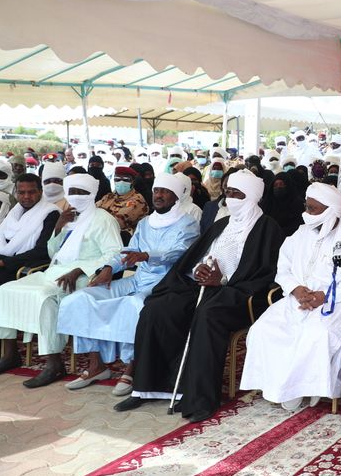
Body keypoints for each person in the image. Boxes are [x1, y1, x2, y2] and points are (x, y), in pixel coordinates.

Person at [114, 170, 284, 422]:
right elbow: (196, 257)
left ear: (252, 196)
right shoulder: (222, 224)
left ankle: (198, 396)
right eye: (228, 193)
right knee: (157, 308)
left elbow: (264, 273)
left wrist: (222, 281)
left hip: (237, 294)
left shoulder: (267, 227)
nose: (231, 198)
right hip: (202, 286)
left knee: (207, 313)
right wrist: (199, 270)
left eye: (238, 194)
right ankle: (147, 387)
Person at [57, 174, 200, 395]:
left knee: (134, 305)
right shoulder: (145, 223)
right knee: (83, 298)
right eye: (156, 190)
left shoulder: (188, 223)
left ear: (176, 196)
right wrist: (107, 269)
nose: (158, 195)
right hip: (138, 279)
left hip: (166, 284)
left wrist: (146, 255)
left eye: (164, 191)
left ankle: (132, 369)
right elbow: (126, 253)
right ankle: (97, 366)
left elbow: (180, 253)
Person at [240, 182, 341, 411]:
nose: (307, 213)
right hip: (298, 298)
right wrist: (296, 289)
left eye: (313, 209)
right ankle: (277, 386)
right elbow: (283, 268)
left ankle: (307, 388)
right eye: (307, 207)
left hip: (338, 301)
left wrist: (326, 295)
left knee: (317, 333)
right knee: (264, 329)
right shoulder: (299, 234)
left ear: (332, 210)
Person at [0, 174, 122, 387]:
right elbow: (53, 252)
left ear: (92, 194)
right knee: (6, 290)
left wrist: (79, 270)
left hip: (84, 276)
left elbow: (115, 253)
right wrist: (58, 227)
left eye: (81, 192)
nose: (76, 197)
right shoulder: (69, 217)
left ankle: (54, 363)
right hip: (54, 271)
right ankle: (10, 354)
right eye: (72, 192)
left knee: (46, 299)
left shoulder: (103, 219)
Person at [0, 174, 59, 289]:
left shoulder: (51, 213)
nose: (26, 196)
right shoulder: (15, 212)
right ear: (16, 193)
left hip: (23, 267)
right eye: (21, 193)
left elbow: (42, 251)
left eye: (31, 192)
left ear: (40, 192)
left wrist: (4, 263)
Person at [96, 166, 149, 245]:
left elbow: (116, 222)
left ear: (133, 182)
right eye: (117, 179)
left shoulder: (137, 201)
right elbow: (92, 211)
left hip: (122, 241)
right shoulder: (109, 196)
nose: (121, 182)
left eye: (125, 180)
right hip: (100, 235)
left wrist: (96, 217)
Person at [263, 171, 305, 236]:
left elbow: (298, 224)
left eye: (281, 184)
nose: (278, 187)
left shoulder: (298, 203)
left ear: (288, 185)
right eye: (275, 185)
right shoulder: (268, 203)